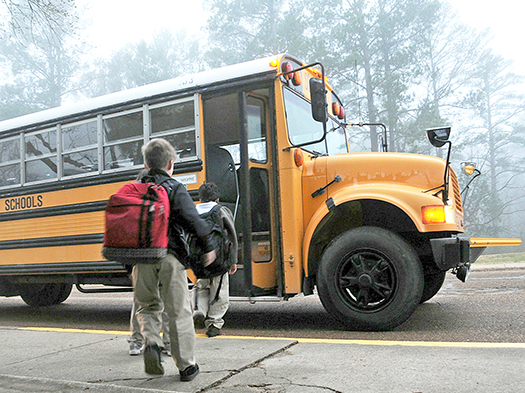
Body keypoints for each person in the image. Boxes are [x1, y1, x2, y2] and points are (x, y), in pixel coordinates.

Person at [132, 138, 216, 381]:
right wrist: (208, 247)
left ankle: (152, 343)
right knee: (178, 310)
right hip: (169, 256)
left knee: (147, 306)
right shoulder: (174, 187)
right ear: (170, 164)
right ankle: (186, 366)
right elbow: (193, 221)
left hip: (141, 259)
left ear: (147, 164)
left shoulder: (135, 189)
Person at [192, 182, 238, 338]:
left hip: (199, 260)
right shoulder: (221, 211)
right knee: (219, 290)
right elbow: (231, 235)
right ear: (217, 199)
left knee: (202, 286)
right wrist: (233, 260)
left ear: (200, 198)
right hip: (219, 259)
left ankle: (199, 309)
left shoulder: (193, 211)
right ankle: (214, 323)